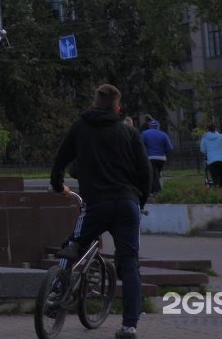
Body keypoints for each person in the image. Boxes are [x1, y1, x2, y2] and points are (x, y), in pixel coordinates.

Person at [50, 83, 150, 339]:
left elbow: (61, 158)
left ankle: (55, 292)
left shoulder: (81, 127)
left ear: (94, 102)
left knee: (72, 244)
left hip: (95, 204)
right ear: (118, 107)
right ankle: (129, 326)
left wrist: (57, 184)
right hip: (127, 204)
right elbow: (145, 173)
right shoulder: (129, 132)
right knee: (129, 263)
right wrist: (141, 200)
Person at [140, 118, 173, 194]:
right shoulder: (163, 134)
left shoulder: (144, 133)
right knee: (156, 173)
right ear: (158, 127)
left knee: (153, 174)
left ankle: (156, 191)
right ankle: (154, 190)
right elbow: (170, 148)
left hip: (150, 157)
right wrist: (163, 152)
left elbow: (141, 145)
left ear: (150, 126)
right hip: (161, 158)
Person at [200, 123, 222, 190]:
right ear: (215, 129)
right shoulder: (221, 136)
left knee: (216, 180)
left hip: (212, 161)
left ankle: (218, 194)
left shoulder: (204, 138)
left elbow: (203, 150)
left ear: (207, 129)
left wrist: (208, 153)